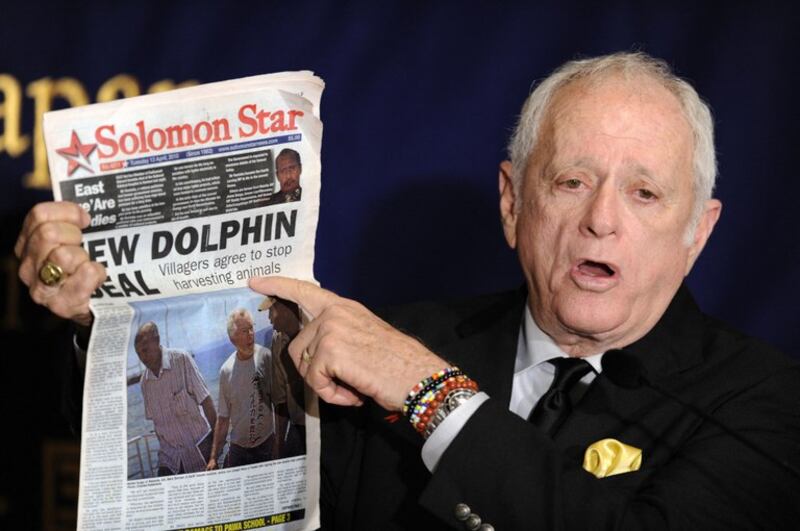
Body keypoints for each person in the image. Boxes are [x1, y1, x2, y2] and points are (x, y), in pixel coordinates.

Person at [14, 51, 800, 528]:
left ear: (698, 230)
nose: (600, 221)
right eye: (570, 180)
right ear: (512, 203)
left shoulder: (765, 401)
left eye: (644, 194)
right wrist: (104, 314)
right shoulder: (390, 340)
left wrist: (429, 392)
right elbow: (219, 503)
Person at [133, 322, 217, 476]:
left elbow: (206, 401)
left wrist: (216, 451)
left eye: (145, 350)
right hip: (170, 459)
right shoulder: (144, 383)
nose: (143, 358)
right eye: (139, 354)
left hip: (200, 450)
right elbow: (158, 426)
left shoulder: (181, 359)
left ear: (157, 340)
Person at [207, 308, 276, 470]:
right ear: (232, 338)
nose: (251, 334)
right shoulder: (226, 371)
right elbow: (223, 418)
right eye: (245, 331)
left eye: (252, 327)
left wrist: (278, 443)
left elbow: (279, 403)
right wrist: (213, 458)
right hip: (239, 450)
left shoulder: (266, 357)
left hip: (267, 444)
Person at [259, 296, 306, 458]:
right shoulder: (277, 341)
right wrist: (279, 443)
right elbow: (280, 399)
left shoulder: (314, 325)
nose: (269, 318)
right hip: (298, 425)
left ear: (285, 309)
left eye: (271, 311)